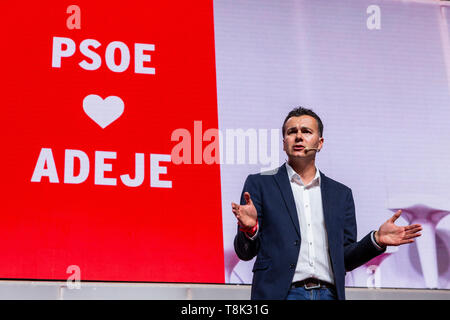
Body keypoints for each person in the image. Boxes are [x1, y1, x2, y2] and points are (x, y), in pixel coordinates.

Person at [231, 107, 422, 300]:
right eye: (292, 132)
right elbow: (244, 253)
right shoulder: (260, 184)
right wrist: (251, 230)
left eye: (306, 131)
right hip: (280, 294)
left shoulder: (341, 194)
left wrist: (377, 239)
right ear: (284, 143)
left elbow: (345, 259)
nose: (298, 137)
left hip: (328, 294)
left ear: (320, 143)